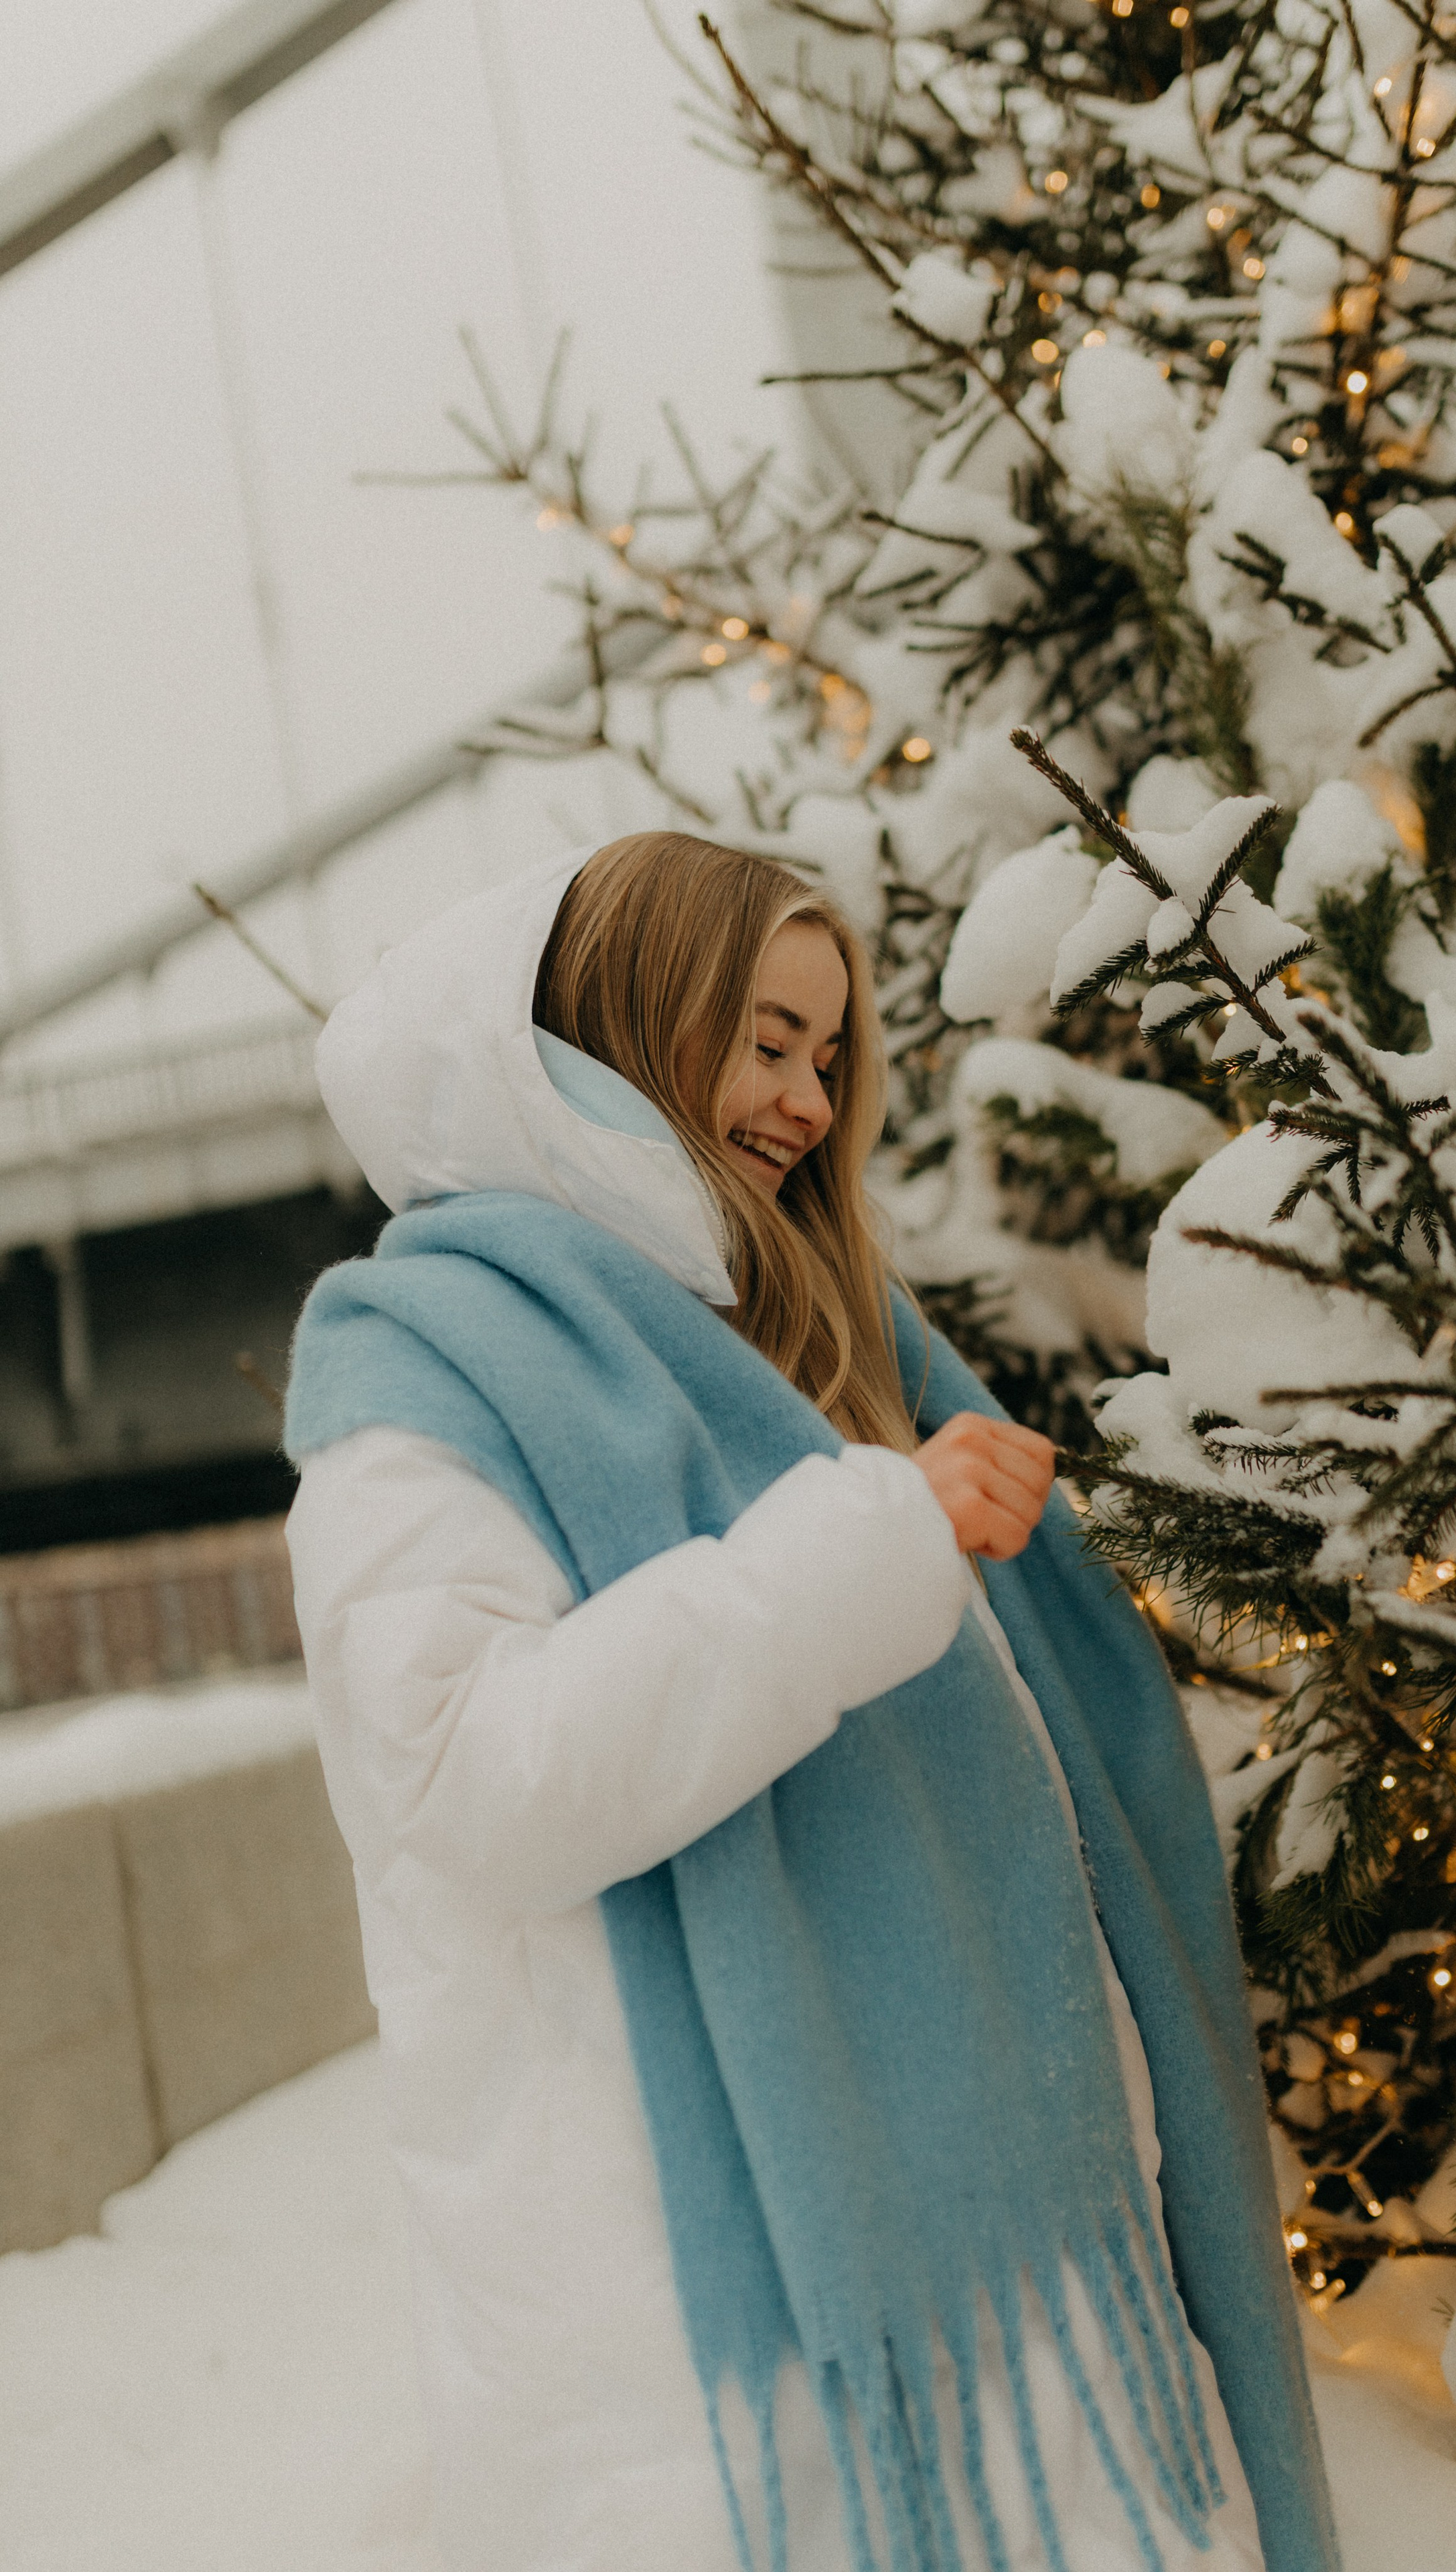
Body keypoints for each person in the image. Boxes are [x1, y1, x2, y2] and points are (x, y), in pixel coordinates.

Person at [283, 831, 1339, 2572]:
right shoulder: (426, 1371)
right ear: (627, 1022)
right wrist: (876, 1538)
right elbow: (473, 1778)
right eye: (764, 1040)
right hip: (704, 2332)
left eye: (829, 1055)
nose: (806, 1100)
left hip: (1024, 2274)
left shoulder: (824, 1334)